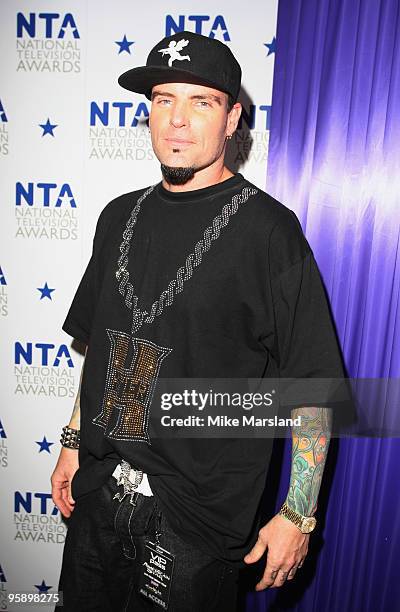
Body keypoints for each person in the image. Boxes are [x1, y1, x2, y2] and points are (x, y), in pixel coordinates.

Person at [51, 31, 346, 611]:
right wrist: (72, 441)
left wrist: (298, 514)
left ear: (232, 118)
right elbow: (112, 349)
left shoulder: (269, 233)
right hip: (100, 493)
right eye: (164, 99)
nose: (177, 121)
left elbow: (314, 385)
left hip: (196, 525)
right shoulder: (118, 216)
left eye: (201, 101)